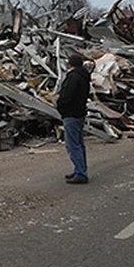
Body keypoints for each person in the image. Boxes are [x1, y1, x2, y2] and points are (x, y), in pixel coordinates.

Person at [57, 53, 91, 184]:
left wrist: (61, 106)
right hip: (80, 113)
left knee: (73, 145)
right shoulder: (84, 76)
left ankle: (81, 173)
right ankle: (80, 169)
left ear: (70, 64)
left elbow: (67, 96)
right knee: (79, 144)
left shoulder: (73, 78)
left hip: (71, 114)